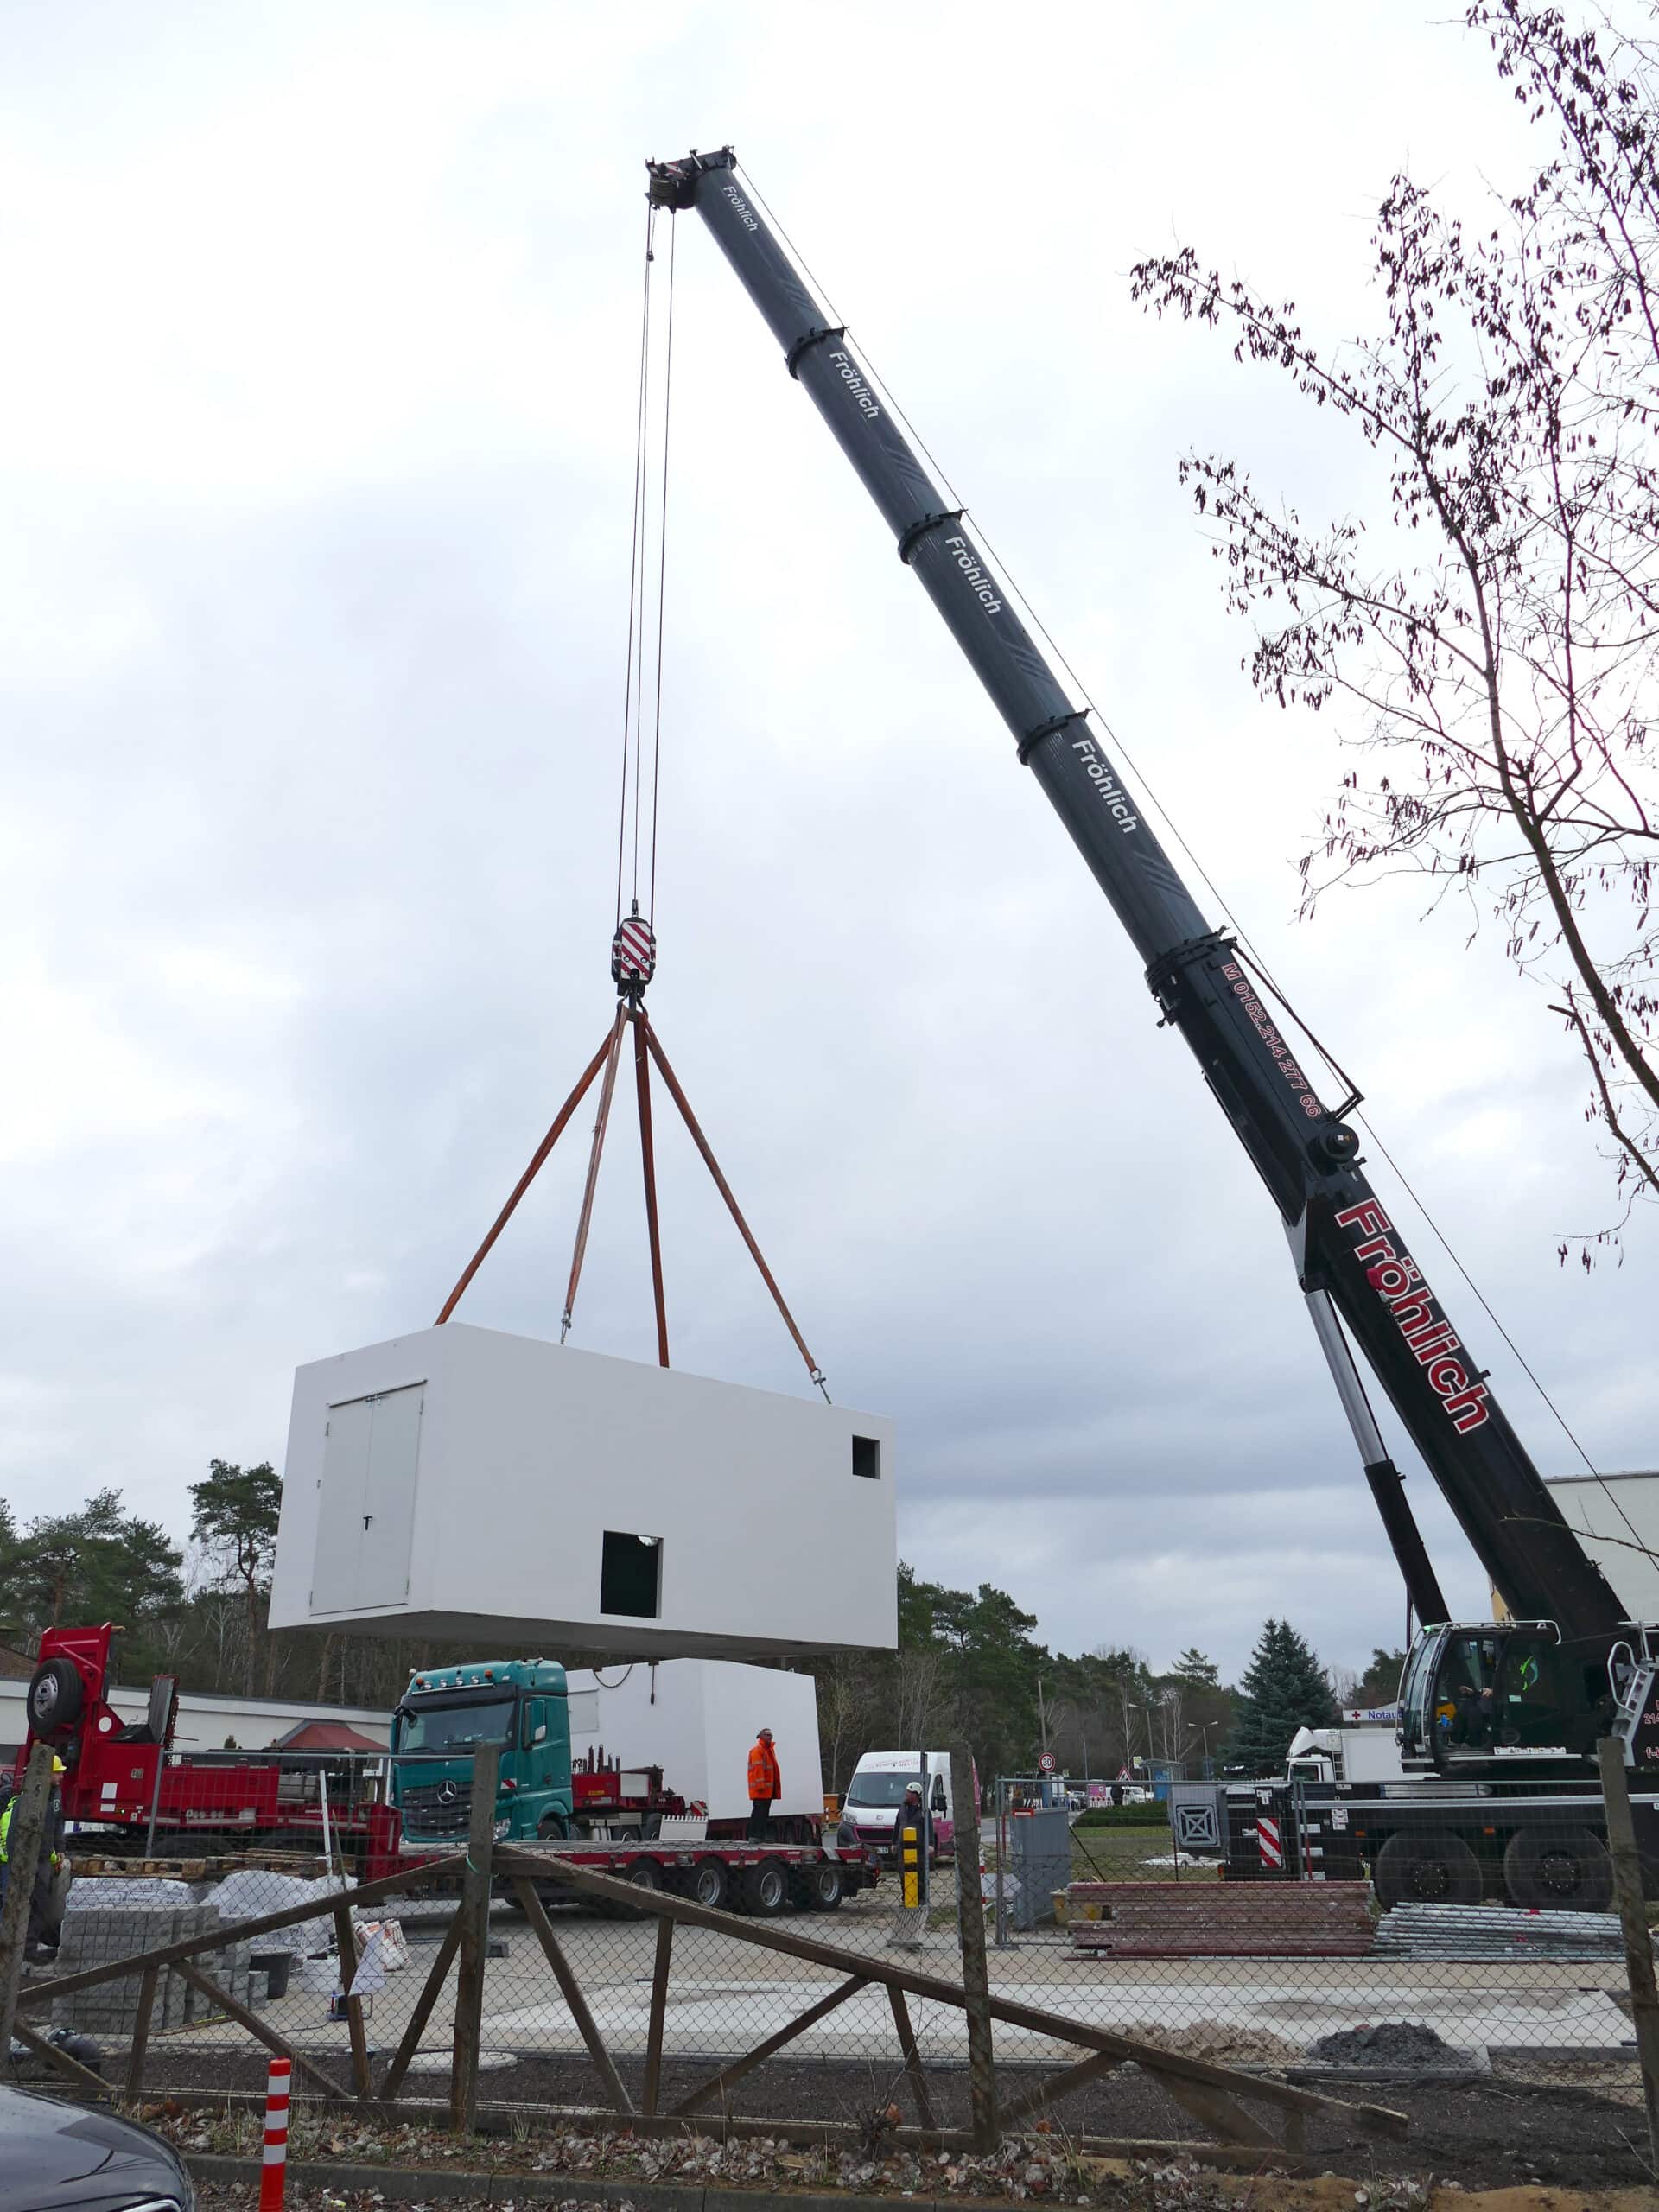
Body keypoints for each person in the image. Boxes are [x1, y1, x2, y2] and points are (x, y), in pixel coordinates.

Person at [747, 1726, 780, 1840]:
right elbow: (758, 1769)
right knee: (759, 1814)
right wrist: (760, 1786)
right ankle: (755, 1836)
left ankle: (759, 1836)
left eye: (771, 1735)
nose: (770, 1737)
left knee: (764, 1815)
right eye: (767, 1735)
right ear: (760, 1736)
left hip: (767, 1791)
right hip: (761, 1790)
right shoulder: (758, 1750)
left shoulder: (769, 1750)